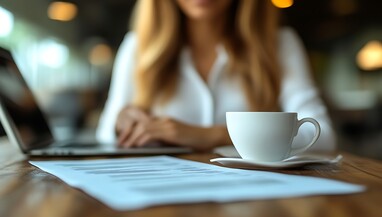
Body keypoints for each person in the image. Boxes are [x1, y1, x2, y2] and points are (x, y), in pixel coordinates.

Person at [96, 0, 337, 152]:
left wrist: (212, 135)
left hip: (255, 196)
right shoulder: (137, 47)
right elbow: (104, 134)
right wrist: (122, 123)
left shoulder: (280, 44)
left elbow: (322, 135)